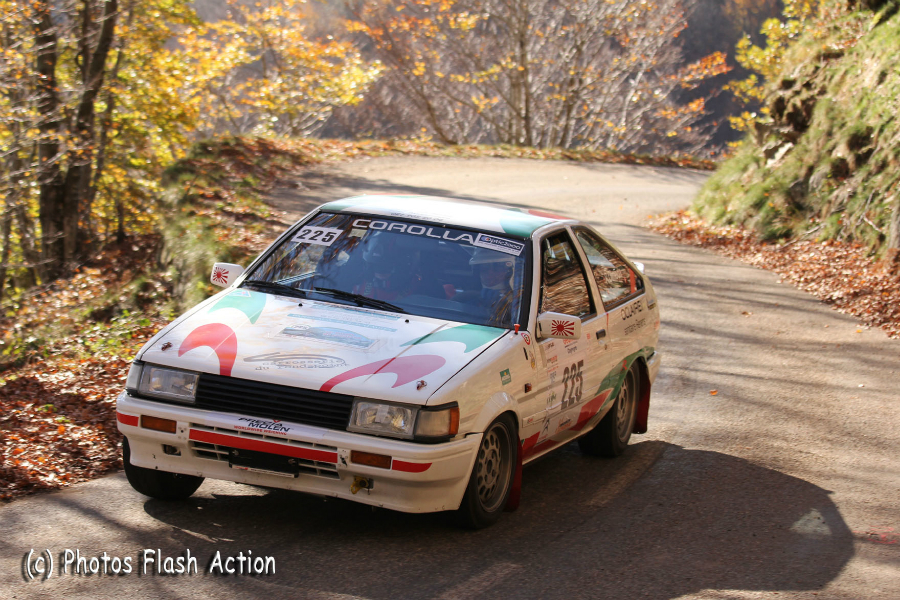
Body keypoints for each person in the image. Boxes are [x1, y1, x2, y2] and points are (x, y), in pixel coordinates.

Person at [467, 247, 517, 325]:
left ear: (509, 272)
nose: (489, 274)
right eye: (484, 269)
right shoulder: (469, 299)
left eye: (497, 269)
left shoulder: (515, 304)